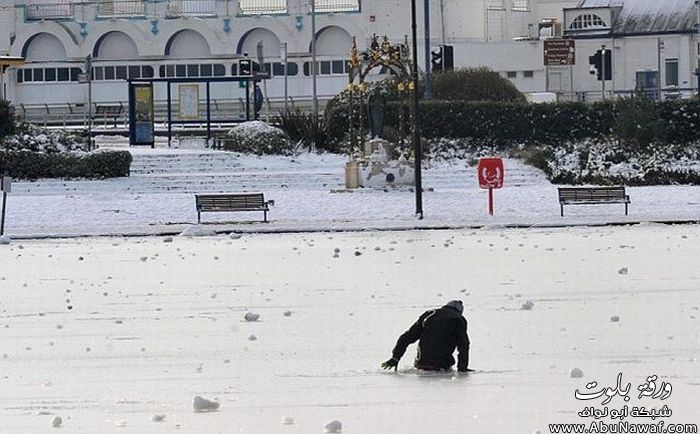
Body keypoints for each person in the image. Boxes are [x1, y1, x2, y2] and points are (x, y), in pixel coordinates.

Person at [381, 300, 471, 372]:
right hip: (441, 365)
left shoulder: (430, 314)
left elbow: (407, 337)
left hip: (421, 363)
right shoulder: (458, 319)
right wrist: (462, 368)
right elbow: (463, 345)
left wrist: (395, 358)